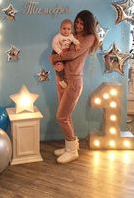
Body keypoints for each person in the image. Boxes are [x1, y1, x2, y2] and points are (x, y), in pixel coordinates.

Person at [50, 10, 99, 164]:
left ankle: (72, 151)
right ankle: (69, 146)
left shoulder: (89, 38)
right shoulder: (71, 36)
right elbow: (58, 48)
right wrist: (56, 61)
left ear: (88, 25)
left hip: (74, 81)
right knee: (67, 116)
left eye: (81, 23)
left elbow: (71, 56)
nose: (78, 26)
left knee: (61, 117)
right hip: (61, 78)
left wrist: (54, 57)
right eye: (77, 22)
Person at [52, 19, 80, 89]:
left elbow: (75, 41)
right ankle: (61, 80)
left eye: (68, 29)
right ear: (60, 29)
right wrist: (59, 51)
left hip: (65, 53)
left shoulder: (71, 36)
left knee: (66, 67)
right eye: (64, 28)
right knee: (59, 66)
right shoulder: (58, 36)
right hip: (57, 52)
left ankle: (65, 78)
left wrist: (77, 45)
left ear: (71, 30)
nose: (66, 31)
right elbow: (54, 45)